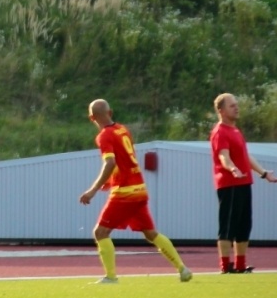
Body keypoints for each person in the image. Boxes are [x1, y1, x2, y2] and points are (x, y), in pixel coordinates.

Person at [78, 98, 193, 284]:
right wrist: (111, 180)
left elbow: (110, 162)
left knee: (100, 232)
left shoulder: (104, 136)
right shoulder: (122, 129)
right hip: (139, 189)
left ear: (91, 118)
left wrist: (93, 190)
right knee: (151, 233)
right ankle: (182, 269)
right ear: (110, 112)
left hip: (125, 192)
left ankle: (111, 277)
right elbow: (124, 161)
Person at [210, 93, 277, 273]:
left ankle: (240, 265)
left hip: (244, 183)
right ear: (221, 110)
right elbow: (223, 156)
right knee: (228, 226)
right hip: (230, 184)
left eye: (236, 104)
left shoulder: (235, 130)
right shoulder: (220, 131)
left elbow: (245, 156)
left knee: (244, 226)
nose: (236, 108)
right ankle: (225, 266)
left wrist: (263, 173)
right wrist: (232, 169)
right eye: (232, 105)